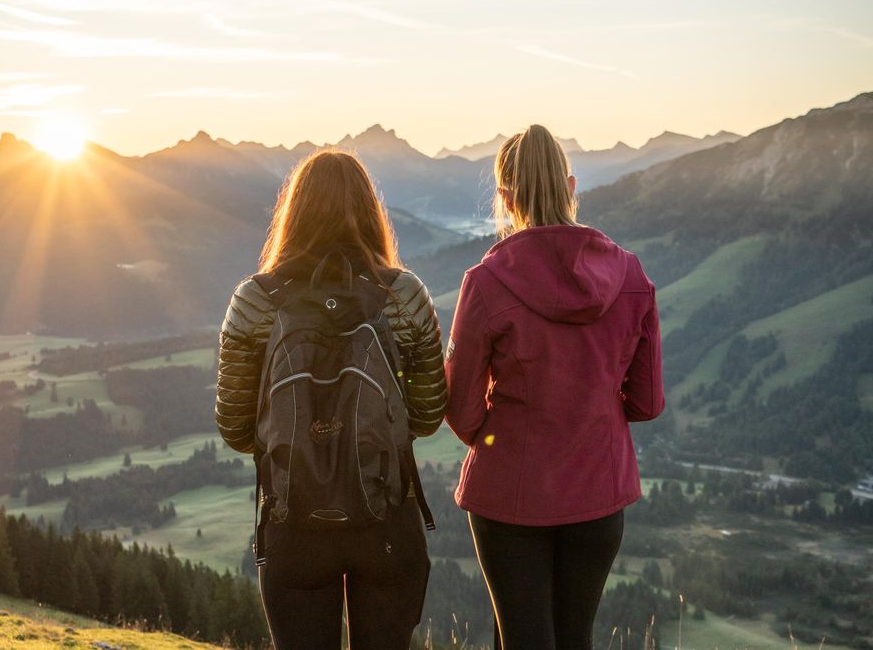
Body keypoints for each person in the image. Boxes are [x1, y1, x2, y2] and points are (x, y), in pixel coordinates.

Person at [215, 150, 448, 650]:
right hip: (386, 518)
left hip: (293, 523)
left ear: (293, 212)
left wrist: (306, 442)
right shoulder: (404, 295)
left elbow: (235, 428)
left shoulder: (254, 300)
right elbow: (429, 415)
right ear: (370, 211)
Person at [444, 125, 665, 650]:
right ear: (570, 187)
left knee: (521, 638)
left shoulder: (486, 282)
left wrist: (498, 437)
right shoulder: (631, 276)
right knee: (574, 637)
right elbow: (646, 401)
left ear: (506, 198)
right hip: (599, 492)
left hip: (509, 495)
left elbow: (461, 409)